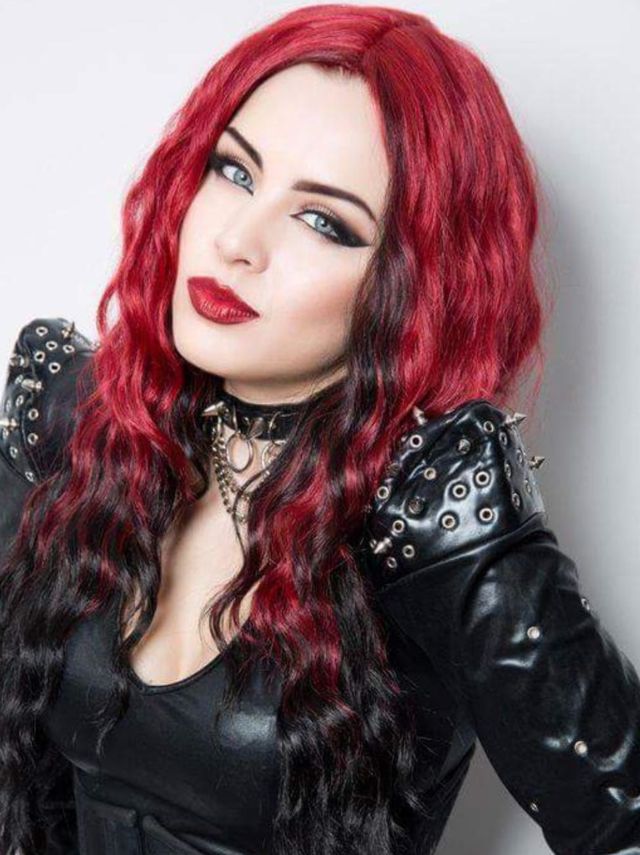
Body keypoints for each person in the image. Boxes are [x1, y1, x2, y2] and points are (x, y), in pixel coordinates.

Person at [1, 5, 639, 855]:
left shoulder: (435, 511)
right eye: (234, 170)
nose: (238, 241)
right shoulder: (72, 418)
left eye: (324, 222)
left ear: (411, 286)